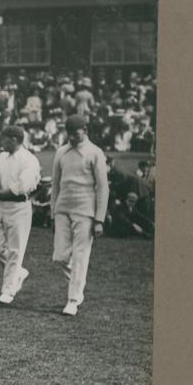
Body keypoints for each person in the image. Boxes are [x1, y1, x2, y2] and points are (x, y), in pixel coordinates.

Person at [50, 114, 110, 316]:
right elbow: (55, 184)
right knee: (60, 257)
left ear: (85, 130)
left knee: (80, 256)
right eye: (69, 133)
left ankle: (73, 299)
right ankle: (78, 283)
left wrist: (99, 219)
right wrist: (53, 212)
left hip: (86, 211)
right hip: (62, 209)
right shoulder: (62, 152)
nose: (72, 137)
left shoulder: (95, 153)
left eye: (75, 133)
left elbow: (103, 188)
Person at [0, 125, 41, 304]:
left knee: (15, 250)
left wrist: (1, 192)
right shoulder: (2, 156)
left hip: (19, 207)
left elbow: (22, 187)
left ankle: (8, 291)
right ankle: (18, 272)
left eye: (4, 139)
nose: (1, 142)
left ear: (14, 140)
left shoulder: (29, 160)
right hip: (0, 206)